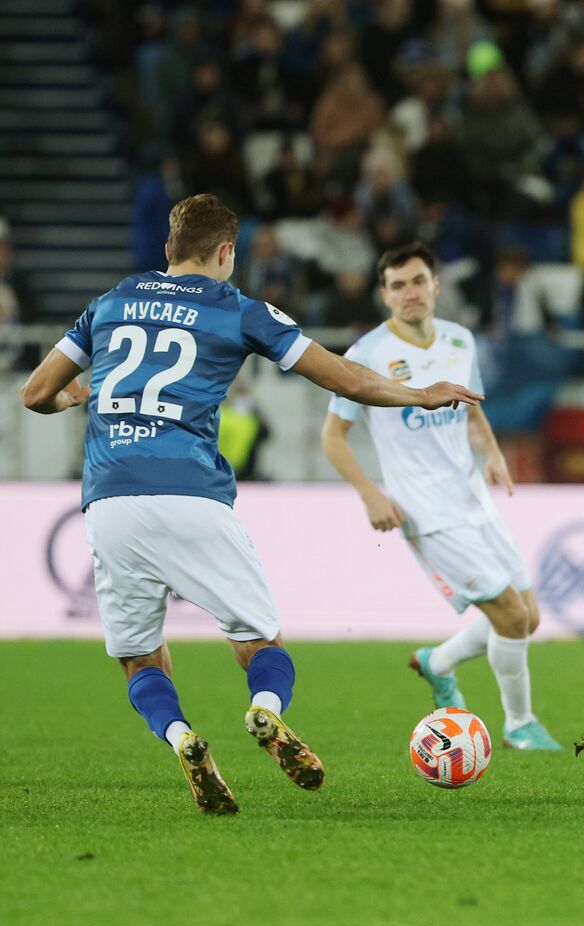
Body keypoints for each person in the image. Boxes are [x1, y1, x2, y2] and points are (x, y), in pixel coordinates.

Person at [18, 195, 479, 814]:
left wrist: (75, 398)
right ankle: (264, 712)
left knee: (139, 656)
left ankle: (182, 737)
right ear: (227, 252)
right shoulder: (237, 310)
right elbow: (343, 377)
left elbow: (34, 393)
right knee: (260, 641)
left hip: (110, 498)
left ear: (168, 251)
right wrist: (419, 394)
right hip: (191, 492)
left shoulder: (112, 301)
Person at [320, 242, 561, 751]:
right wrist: (370, 495)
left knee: (529, 617)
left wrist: (492, 453)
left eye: (418, 281)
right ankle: (520, 724)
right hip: (423, 508)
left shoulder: (459, 340)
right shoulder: (365, 356)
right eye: (398, 285)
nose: (410, 293)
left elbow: (471, 410)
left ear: (436, 285)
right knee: (512, 617)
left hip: (473, 496)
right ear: (383, 294)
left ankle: (439, 661)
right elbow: (332, 437)